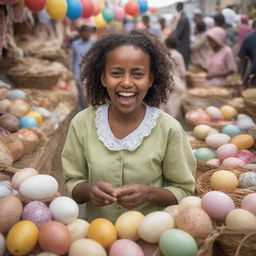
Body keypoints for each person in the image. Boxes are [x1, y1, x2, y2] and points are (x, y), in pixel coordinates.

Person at [62, 30, 196, 223]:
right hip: (98, 239)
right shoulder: (82, 124)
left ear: (150, 80)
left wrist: (150, 194)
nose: (126, 83)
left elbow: (185, 190)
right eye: (116, 73)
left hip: (150, 242)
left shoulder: (169, 129)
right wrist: (89, 190)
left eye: (138, 74)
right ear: (102, 78)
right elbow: (72, 183)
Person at [161, 35, 186, 118]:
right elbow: (183, 72)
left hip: (165, 80)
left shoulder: (164, 55)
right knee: (175, 103)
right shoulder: (178, 55)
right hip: (176, 82)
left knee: (166, 102)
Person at [71, 25, 94, 109]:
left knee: (87, 93)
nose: (87, 34)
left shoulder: (93, 43)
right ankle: (82, 109)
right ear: (80, 33)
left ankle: (87, 109)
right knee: (81, 93)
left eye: (89, 31)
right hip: (78, 72)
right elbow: (73, 58)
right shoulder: (75, 44)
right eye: (85, 31)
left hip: (90, 72)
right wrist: (72, 71)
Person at [173, 2, 190, 67]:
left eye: (176, 7)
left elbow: (178, 33)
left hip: (182, 44)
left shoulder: (182, 18)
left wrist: (171, 39)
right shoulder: (183, 16)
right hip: (183, 43)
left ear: (179, 7)